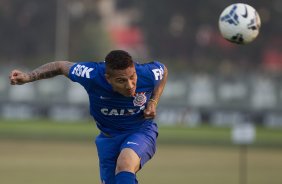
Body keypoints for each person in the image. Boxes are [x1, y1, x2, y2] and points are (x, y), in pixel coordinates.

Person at [9, 50, 168, 184]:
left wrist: (153, 101)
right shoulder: (91, 75)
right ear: (107, 78)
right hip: (108, 139)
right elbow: (60, 66)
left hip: (140, 131)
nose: (130, 85)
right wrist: (29, 77)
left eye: (132, 77)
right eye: (121, 80)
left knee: (125, 163)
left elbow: (164, 71)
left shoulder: (147, 73)